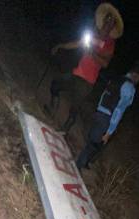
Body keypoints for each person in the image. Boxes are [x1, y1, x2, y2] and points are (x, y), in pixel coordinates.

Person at [44, 3, 123, 133]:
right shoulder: (93, 34)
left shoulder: (110, 44)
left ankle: (64, 131)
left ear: (112, 27)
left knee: (74, 107)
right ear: (103, 20)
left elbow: (105, 64)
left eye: (111, 22)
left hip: (88, 81)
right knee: (56, 83)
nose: (108, 23)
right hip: (77, 73)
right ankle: (53, 107)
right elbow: (77, 43)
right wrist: (61, 46)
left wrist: (92, 53)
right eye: (108, 19)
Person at [75, 60, 139, 170]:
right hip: (107, 118)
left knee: (95, 142)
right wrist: (110, 131)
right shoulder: (129, 88)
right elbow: (119, 110)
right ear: (137, 76)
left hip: (99, 111)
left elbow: (104, 94)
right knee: (94, 144)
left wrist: (98, 109)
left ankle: (84, 163)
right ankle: (78, 166)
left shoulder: (117, 79)